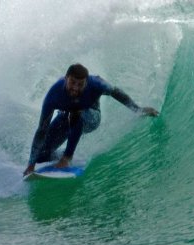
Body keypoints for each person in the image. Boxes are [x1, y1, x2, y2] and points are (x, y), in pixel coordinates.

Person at [23, 63, 159, 176]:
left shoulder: (96, 83)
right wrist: (31, 165)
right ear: (66, 78)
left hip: (91, 118)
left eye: (80, 84)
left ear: (86, 82)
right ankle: (62, 155)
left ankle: (67, 158)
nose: (76, 88)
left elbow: (116, 92)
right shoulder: (54, 95)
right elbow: (42, 130)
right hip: (66, 119)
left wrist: (138, 109)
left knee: (76, 113)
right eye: (72, 83)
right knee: (41, 155)